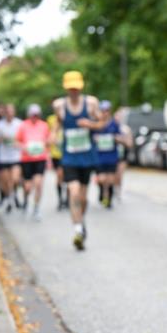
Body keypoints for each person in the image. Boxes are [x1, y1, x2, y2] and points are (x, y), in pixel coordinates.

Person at [52, 71, 104, 250]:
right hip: (69, 157)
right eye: (70, 88)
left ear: (80, 87)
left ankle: (81, 222)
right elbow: (58, 124)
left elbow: (101, 123)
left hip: (87, 157)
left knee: (83, 198)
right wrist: (52, 135)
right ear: (66, 88)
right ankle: (78, 230)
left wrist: (90, 124)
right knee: (73, 192)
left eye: (76, 88)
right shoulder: (59, 105)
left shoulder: (91, 104)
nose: (73, 91)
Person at [92, 100, 132, 208]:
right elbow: (90, 137)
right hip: (99, 156)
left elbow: (121, 138)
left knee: (110, 179)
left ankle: (108, 199)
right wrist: (95, 139)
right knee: (101, 178)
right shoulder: (96, 124)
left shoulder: (114, 124)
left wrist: (117, 138)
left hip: (111, 156)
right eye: (103, 110)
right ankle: (101, 191)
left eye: (107, 110)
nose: (105, 113)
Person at [16, 103, 51, 221]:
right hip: (27, 159)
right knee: (27, 187)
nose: (34, 117)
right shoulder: (23, 126)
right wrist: (24, 147)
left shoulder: (44, 126)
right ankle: (26, 200)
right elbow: (16, 142)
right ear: (29, 115)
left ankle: (36, 208)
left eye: (36, 115)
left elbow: (49, 141)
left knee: (39, 183)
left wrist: (47, 147)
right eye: (32, 115)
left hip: (40, 159)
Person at [0, 104, 23, 213]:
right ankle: (10, 199)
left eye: (11, 111)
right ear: (5, 113)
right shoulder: (0, 125)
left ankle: (13, 195)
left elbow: (25, 138)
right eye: (8, 111)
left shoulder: (19, 123)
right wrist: (1, 138)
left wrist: (18, 143)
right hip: (4, 157)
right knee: (6, 181)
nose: (10, 113)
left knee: (15, 179)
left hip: (16, 156)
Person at [46, 112, 67, 211]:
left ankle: (67, 199)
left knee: (68, 178)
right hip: (56, 154)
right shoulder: (51, 119)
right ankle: (60, 200)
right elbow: (48, 136)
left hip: (69, 154)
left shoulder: (70, 118)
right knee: (59, 176)